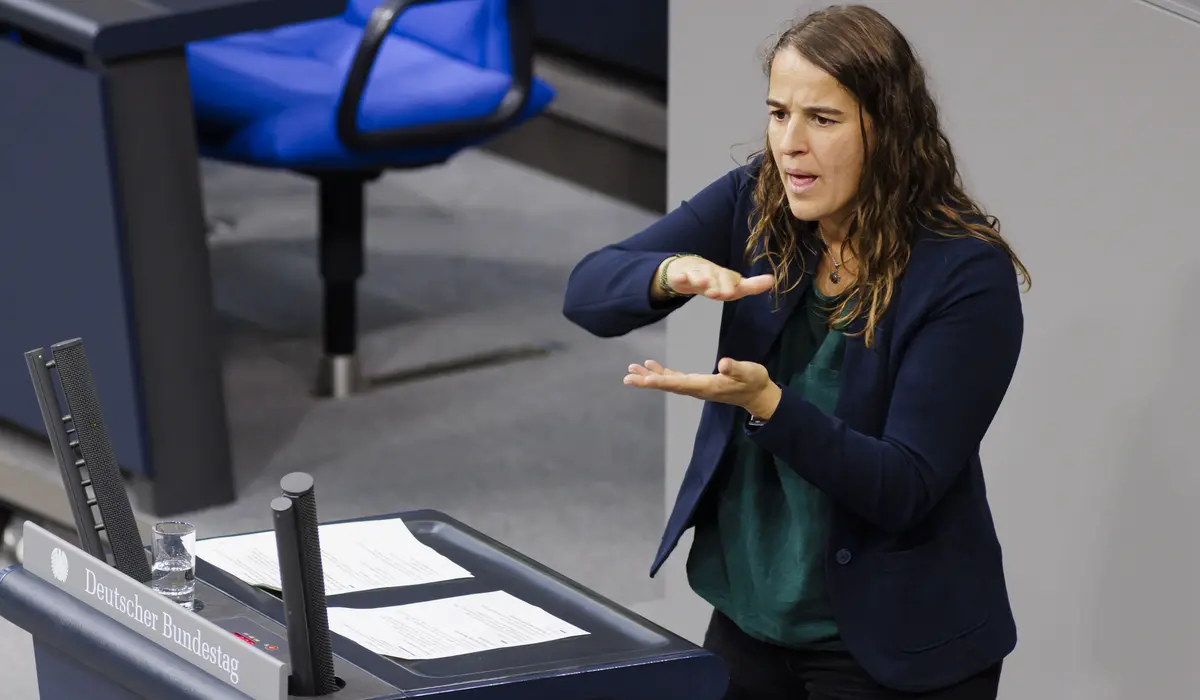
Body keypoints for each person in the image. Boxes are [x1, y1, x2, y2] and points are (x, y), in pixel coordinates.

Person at [562, 4, 1030, 700]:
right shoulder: (759, 198)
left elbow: (901, 487)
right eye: (779, 113)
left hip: (894, 646)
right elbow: (587, 289)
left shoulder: (964, 275)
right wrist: (669, 274)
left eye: (822, 118)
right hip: (753, 618)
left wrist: (767, 405)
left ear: (887, 128)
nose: (789, 143)